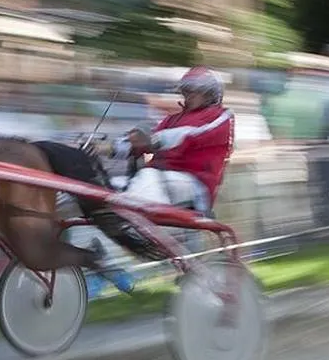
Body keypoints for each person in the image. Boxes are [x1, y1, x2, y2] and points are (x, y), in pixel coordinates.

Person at [87, 65, 235, 292]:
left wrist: (152, 141)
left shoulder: (222, 117)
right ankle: (97, 259)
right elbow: (138, 143)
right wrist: (102, 148)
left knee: (145, 180)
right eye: (186, 90)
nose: (188, 95)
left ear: (211, 93)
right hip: (158, 181)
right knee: (97, 190)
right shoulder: (170, 119)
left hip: (194, 187)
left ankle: (119, 261)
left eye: (195, 91)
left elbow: (186, 136)